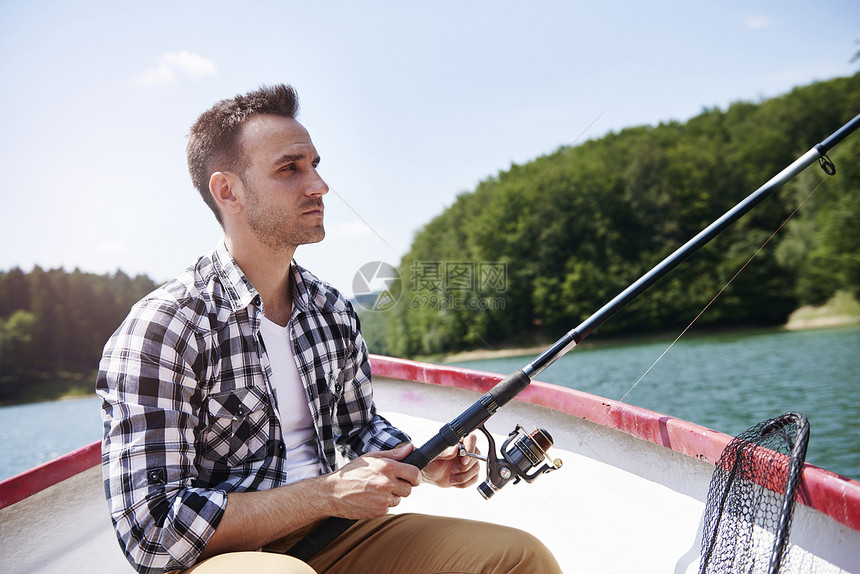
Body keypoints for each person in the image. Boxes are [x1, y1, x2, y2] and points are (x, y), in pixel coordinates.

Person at [97, 84, 561, 574]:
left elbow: (358, 430)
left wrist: (423, 458)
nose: (318, 184)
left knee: (520, 559)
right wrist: (326, 493)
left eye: (315, 165)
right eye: (290, 168)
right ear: (227, 191)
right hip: (223, 558)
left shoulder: (331, 309)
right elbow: (150, 535)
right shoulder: (162, 328)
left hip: (333, 534)